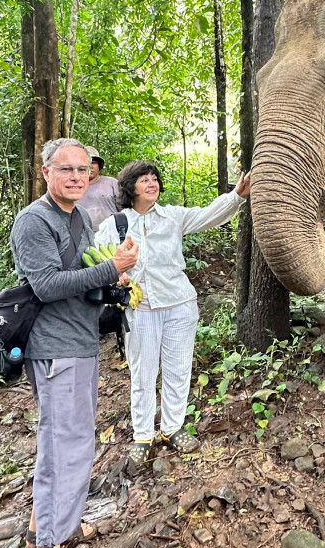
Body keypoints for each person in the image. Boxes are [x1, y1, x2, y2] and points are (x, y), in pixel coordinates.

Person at [10, 138, 138, 548]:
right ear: (46, 172)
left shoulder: (79, 218)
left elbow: (80, 278)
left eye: (83, 169)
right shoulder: (34, 221)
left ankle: (52, 526)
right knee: (67, 447)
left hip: (81, 344)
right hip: (55, 350)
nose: (77, 177)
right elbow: (44, 284)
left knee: (67, 441)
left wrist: (112, 280)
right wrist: (111, 266)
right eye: (66, 169)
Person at [95, 161, 250, 472]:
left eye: (155, 179)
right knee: (143, 374)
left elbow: (208, 215)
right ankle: (142, 436)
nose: (152, 184)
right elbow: (100, 260)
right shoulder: (116, 224)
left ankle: (172, 427)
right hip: (141, 310)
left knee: (178, 371)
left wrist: (237, 196)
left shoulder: (172, 217)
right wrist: (116, 275)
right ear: (130, 188)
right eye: (144, 180)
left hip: (180, 305)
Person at [78, 146, 119, 231]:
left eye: (93, 162)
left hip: (112, 233)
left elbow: (125, 210)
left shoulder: (112, 183)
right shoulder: (73, 187)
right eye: (86, 162)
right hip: (82, 235)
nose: (90, 166)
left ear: (99, 166)